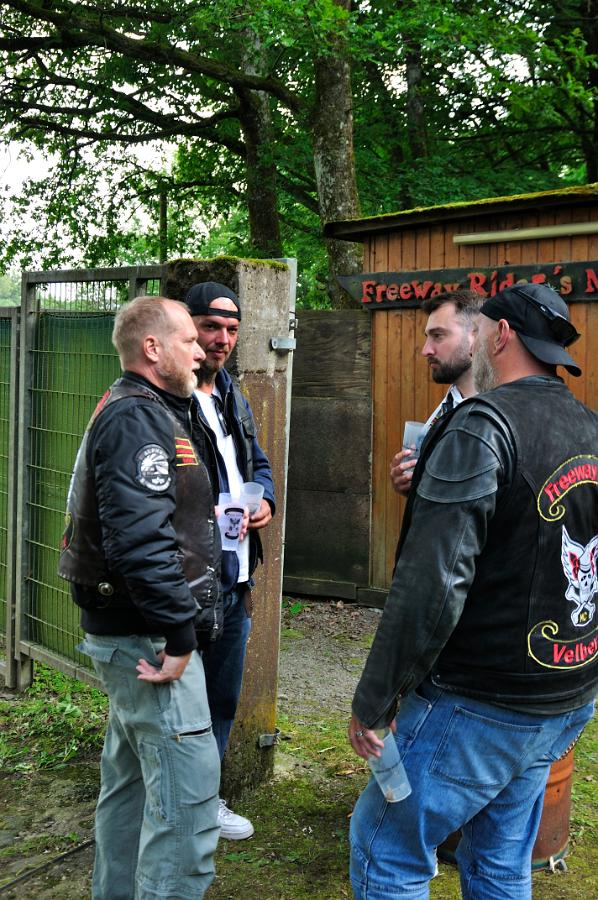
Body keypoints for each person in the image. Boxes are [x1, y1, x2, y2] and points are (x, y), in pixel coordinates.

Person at [348, 282, 597, 899]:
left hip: (481, 701)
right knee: (500, 859)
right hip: (564, 694)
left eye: (479, 331)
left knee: (387, 850)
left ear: (501, 335)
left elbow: (432, 585)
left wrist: (376, 699)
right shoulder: (590, 425)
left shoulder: (483, 425)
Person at [58, 296, 223, 900]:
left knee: (129, 790)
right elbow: (140, 540)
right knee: (187, 811)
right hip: (148, 641)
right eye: (189, 340)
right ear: (152, 348)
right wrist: (178, 634)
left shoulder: (142, 407)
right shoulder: (138, 418)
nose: (200, 351)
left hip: (132, 633)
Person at [185, 281, 275, 840]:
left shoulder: (231, 394)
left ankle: (205, 801)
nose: (222, 339)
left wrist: (264, 499)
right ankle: (175, 808)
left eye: (232, 329)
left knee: (221, 701)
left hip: (235, 576)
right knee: (179, 709)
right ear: (186, 327)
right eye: (211, 327)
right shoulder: (167, 401)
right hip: (190, 581)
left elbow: (257, 463)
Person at [390, 290, 482, 496]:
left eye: (438, 336)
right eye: (427, 337)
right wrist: (409, 483)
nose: (426, 350)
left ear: (475, 336)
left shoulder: (498, 414)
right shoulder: (451, 401)